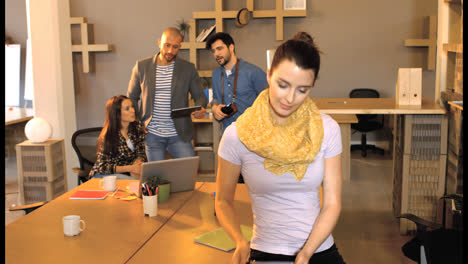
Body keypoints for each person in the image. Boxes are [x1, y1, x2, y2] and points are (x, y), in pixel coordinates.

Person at [215, 32, 346, 264]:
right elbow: (223, 201)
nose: (290, 98)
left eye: (302, 90)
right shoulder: (238, 135)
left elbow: (333, 203)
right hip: (266, 250)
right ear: (268, 75)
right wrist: (239, 240)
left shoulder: (327, 129)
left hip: (319, 248)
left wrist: (306, 253)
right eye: (283, 85)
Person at [127, 27, 208, 161]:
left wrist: (200, 108)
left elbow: (199, 96)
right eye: (167, 45)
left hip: (179, 133)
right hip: (151, 133)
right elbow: (131, 97)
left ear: (180, 47)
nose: (170, 51)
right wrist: (137, 123)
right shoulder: (141, 67)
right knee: (156, 178)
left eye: (175, 47)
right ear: (159, 42)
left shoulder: (188, 68)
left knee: (187, 173)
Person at [205, 32, 268, 132]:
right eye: (213, 51)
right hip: (228, 134)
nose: (216, 54)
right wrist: (215, 108)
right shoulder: (216, 74)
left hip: (253, 135)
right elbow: (215, 99)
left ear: (231, 47)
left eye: (219, 49)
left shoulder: (253, 72)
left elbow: (270, 101)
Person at [89, 95, 147, 180]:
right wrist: (130, 168)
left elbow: (141, 152)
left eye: (132, 107)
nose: (133, 110)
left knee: (149, 181)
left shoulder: (137, 127)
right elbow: (102, 167)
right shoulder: (107, 136)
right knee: (135, 183)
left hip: (126, 174)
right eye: (127, 109)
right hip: (103, 176)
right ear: (117, 114)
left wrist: (138, 162)